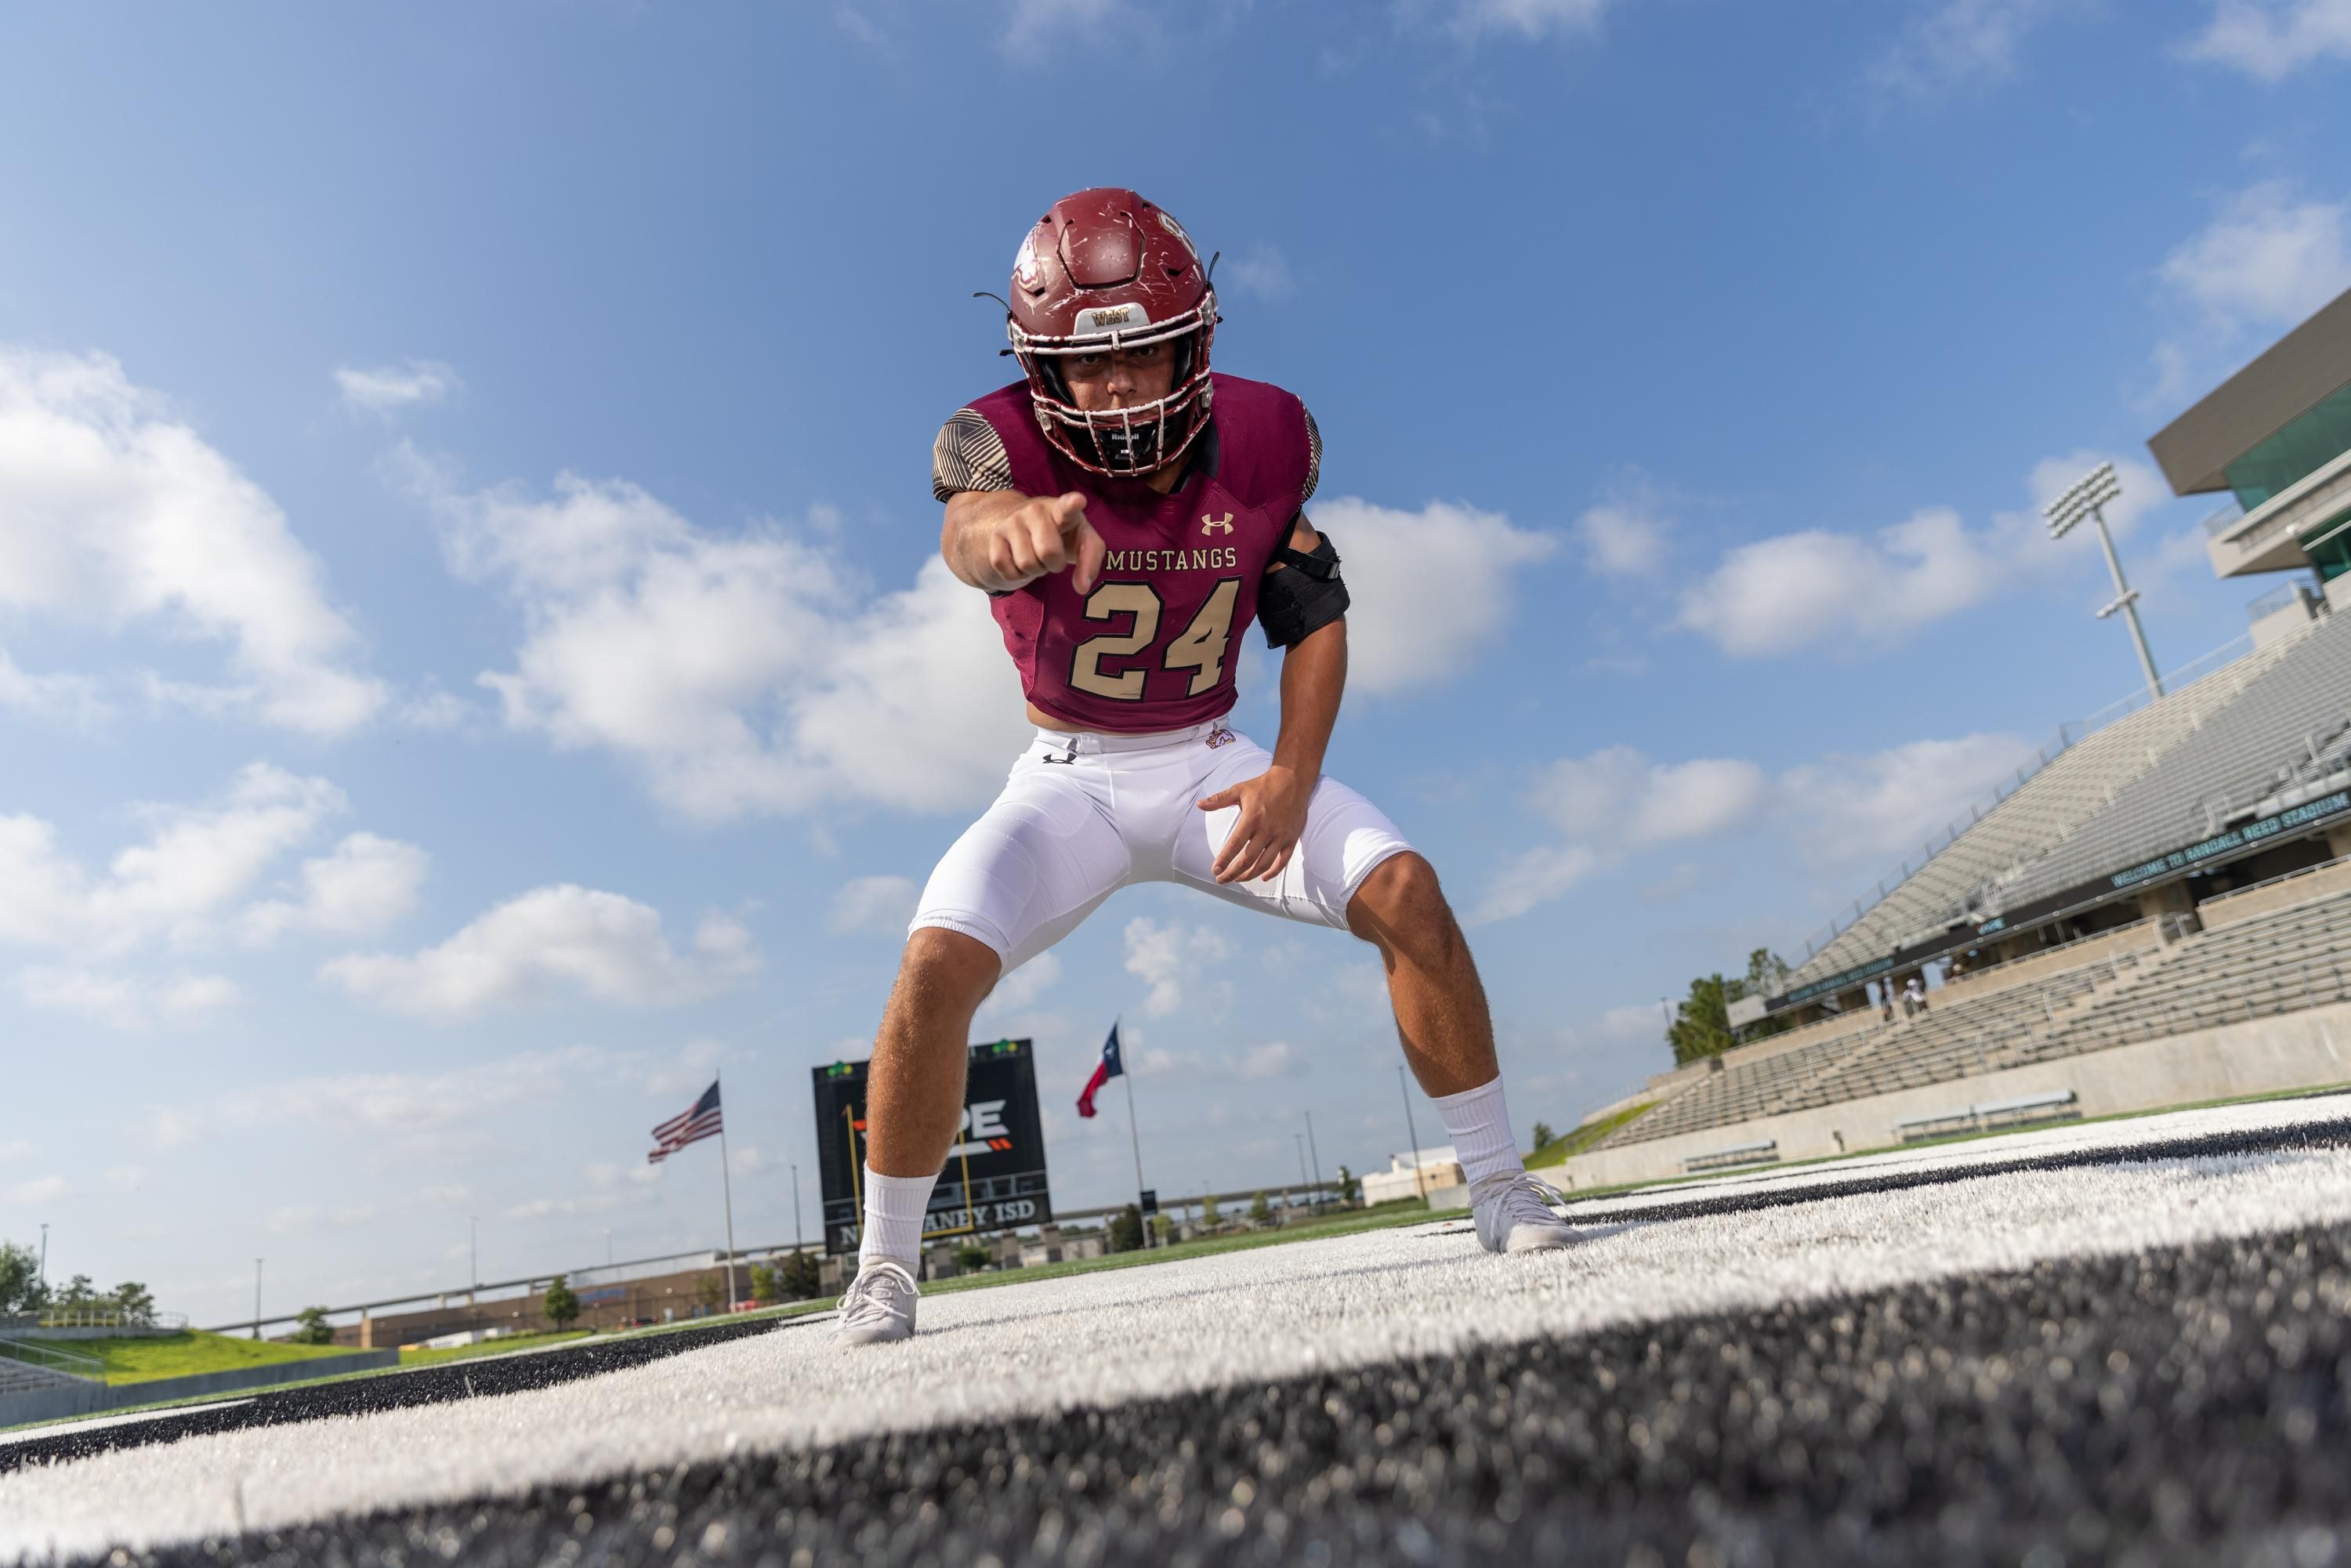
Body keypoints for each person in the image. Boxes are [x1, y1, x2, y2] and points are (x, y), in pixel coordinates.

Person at [835, 189, 1576, 1346]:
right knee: (933, 966)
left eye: (1142, 354)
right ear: (1042, 371)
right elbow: (969, 530)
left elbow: (1314, 611)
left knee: (1406, 892)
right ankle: (885, 1265)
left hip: (1209, 765)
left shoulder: (1267, 435)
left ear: (1194, 344)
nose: (1118, 389)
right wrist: (1007, 532)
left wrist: (1294, 774)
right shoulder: (997, 442)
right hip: (1069, 778)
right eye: (1090, 365)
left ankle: (1499, 1183)